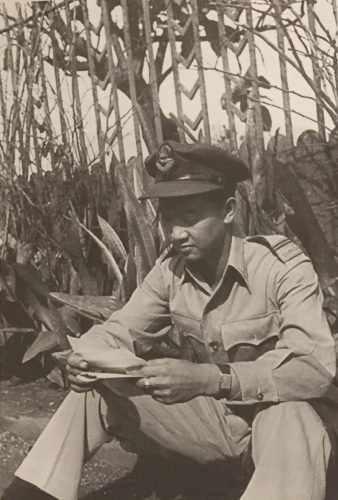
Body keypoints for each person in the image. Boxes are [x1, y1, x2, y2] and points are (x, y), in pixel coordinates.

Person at [4, 141, 338, 500]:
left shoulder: (281, 269)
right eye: (167, 219)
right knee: (97, 390)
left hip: (283, 439)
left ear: (228, 211)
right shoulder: (170, 272)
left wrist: (213, 379)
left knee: (290, 414)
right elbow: (120, 329)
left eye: (190, 217)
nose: (176, 233)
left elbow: (313, 368)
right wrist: (85, 359)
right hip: (217, 427)